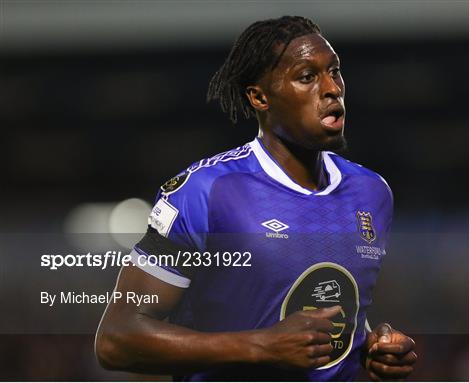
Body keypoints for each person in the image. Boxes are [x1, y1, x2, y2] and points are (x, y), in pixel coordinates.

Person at [95, 15, 417, 381]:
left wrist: (370, 350)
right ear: (260, 97)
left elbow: (327, 317)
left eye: (335, 71)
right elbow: (116, 338)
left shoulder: (371, 192)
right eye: (307, 77)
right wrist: (261, 346)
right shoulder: (206, 192)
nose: (332, 89)